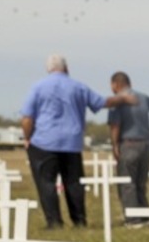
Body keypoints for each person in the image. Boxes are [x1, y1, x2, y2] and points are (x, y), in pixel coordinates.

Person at [20, 54, 134, 229]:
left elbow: (27, 118)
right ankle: (79, 220)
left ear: (48, 69)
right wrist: (124, 98)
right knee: (73, 183)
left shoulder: (38, 87)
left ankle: (54, 222)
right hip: (71, 143)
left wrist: (27, 137)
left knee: (46, 183)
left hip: (44, 142)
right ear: (66, 68)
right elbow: (103, 102)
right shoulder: (78, 87)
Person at [108, 71, 149, 227]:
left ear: (115, 84)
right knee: (140, 182)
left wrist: (115, 145)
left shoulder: (118, 100)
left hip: (128, 143)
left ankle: (133, 219)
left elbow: (115, 125)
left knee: (127, 182)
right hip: (145, 144)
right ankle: (145, 216)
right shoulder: (143, 97)